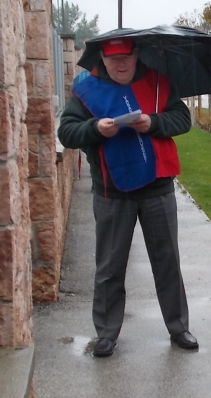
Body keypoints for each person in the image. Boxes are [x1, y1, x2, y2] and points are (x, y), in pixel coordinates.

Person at [57, 37, 197, 357]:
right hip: (112, 192)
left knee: (168, 262)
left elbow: (182, 119)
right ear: (103, 60)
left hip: (157, 188)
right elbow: (66, 132)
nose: (120, 64)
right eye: (113, 58)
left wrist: (153, 122)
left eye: (126, 57)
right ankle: (106, 333)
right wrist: (94, 128)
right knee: (109, 265)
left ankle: (179, 327)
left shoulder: (158, 83)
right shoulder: (86, 90)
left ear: (136, 56)